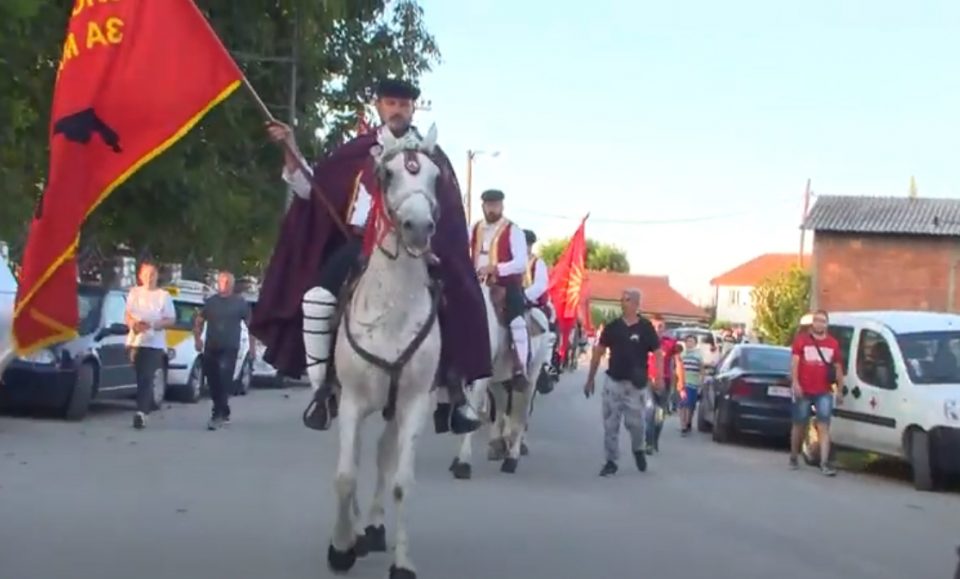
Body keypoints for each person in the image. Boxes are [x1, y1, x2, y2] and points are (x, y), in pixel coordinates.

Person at [252, 78, 490, 435]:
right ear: (378, 106)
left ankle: (454, 393)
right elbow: (309, 189)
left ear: (413, 110)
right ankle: (321, 390)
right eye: (391, 103)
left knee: (455, 295)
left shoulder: (430, 156)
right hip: (361, 245)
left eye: (404, 105)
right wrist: (290, 146)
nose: (398, 110)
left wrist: (438, 245)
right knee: (317, 298)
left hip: (420, 245)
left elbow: (450, 211)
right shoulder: (357, 151)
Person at [584, 289, 662, 477]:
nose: (622, 303)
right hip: (614, 381)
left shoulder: (645, 327)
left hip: (636, 385)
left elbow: (658, 353)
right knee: (611, 423)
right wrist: (590, 378)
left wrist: (658, 378)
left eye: (626, 300)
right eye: (621, 299)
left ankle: (638, 449)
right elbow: (598, 352)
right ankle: (611, 460)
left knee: (636, 424)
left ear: (636, 303)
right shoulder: (613, 327)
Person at [469, 189, 529, 388]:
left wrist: (496, 268)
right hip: (474, 283)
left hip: (504, 285)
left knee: (517, 320)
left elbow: (521, 262)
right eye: (488, 205)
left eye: (495, 205)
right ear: (483, 206)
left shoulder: (513, 230)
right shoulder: (474, 228)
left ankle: (520, 367)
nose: (492, 208)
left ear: (502, 206)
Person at [193, 272, 251, 430]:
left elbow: (249, 325)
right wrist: (197, 339)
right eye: (221, 282)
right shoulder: (211, 302)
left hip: (230, 347)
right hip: (211, 347)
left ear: (232, 285)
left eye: (227, 282)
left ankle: (217, 414)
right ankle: (223, 410)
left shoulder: (240, 303)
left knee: (224, 378)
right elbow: (199, 320)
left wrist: (252, 346)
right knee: (213, 381)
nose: (223, 285)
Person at [789, 309, 844, 475]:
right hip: (804, 389)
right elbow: (795, 363)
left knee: (824, 426)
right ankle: (793, 456)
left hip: (824, 390)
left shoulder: (833, 344)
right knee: (799, 424)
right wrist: (795, 383)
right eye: (817, 320)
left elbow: (838, 367)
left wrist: (840, 389)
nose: (820, 324)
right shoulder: (802, 341)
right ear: (813, 323)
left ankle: (825, 463)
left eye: (823, 321)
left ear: (827, 324)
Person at [124, 262, 175, 430]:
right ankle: (141, 406)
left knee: (147, 377)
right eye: (146, 274)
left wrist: (154, 325)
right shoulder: (134, 293)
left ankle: (141, 413)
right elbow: (128, 314)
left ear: (157, 276)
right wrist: (134, 324)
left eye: (152, 274)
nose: (149, 277)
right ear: (140, 276)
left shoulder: (163, 296)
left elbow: (171, 319)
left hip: (154, 343)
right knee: (139, 377)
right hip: (136, 341)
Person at [679, 334, 704, 435]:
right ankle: (683, 425)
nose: (689, 343)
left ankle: (688, 421)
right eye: (688, 341)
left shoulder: (698, 355)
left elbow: (701, 370)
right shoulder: (682, 355)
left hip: (694, 383)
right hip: (683, 383)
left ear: (695, 343)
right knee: (683, 404)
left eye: (692, 341)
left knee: (690, 405)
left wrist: (701, 382)